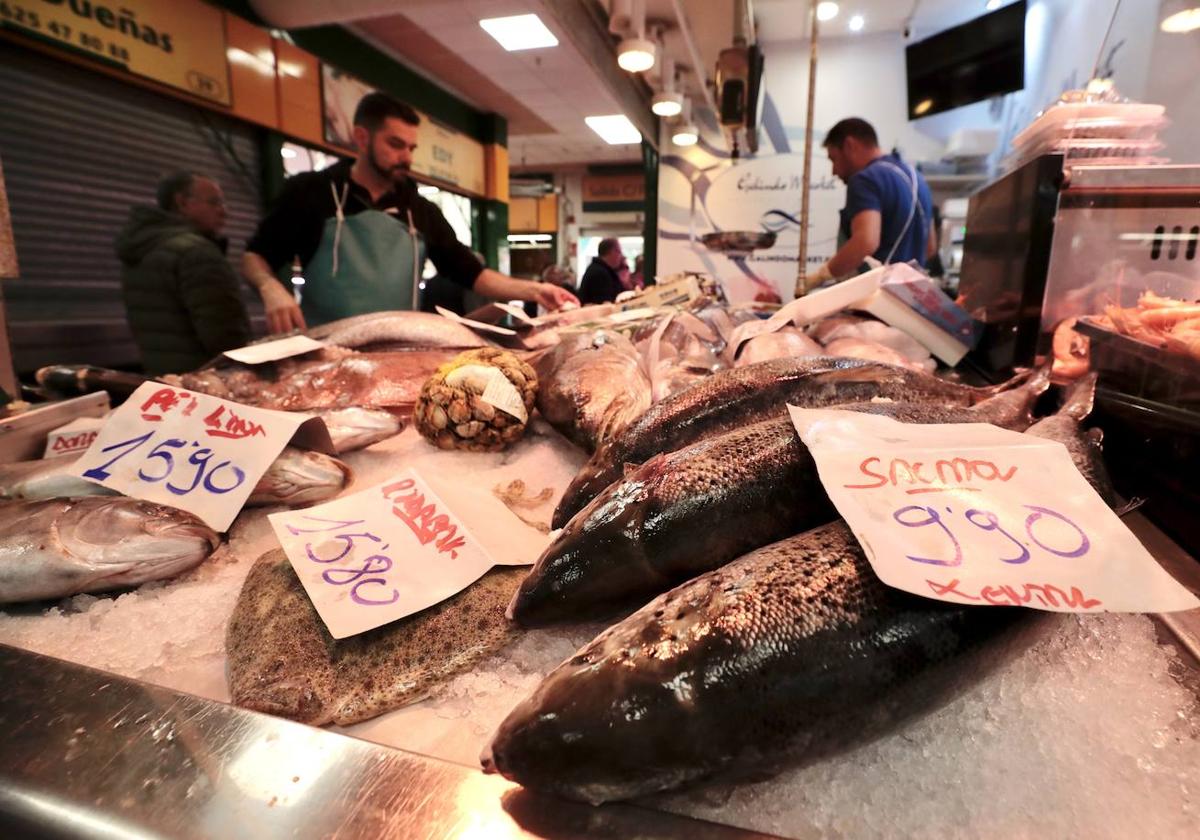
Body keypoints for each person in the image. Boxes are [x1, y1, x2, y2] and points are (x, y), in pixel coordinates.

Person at [242, 92, 578, 332]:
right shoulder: (311, 192)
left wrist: (535, 291)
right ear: (362, 138)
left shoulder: (421, 211)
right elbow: (255, 256)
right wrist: (271, 289)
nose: (406, 156)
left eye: (411, 147)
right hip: (324, 348)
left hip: (397, 348)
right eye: (395, 144)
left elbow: (473, 274)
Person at [115, 172, 251, 375]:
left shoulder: (142, 249)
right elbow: (226, 339)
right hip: (208, 385)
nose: (224, 211)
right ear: (182, 203)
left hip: (166, 382)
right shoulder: (197, 252)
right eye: (215, 202)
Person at [800, 117, 935, 293]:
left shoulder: (865, 179)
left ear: (849, 145)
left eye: (834, 159)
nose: (834, 172)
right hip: (915, 299)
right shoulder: (918, 179)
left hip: (882, 302)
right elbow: (930, 247)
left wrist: (821, 276)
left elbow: (866, 241)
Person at [578, 238, 625, 304]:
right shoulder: (599, 273)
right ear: (610, 252)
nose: (621, 256)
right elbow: (604, 305)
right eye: (618, 251)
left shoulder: (599, 269)